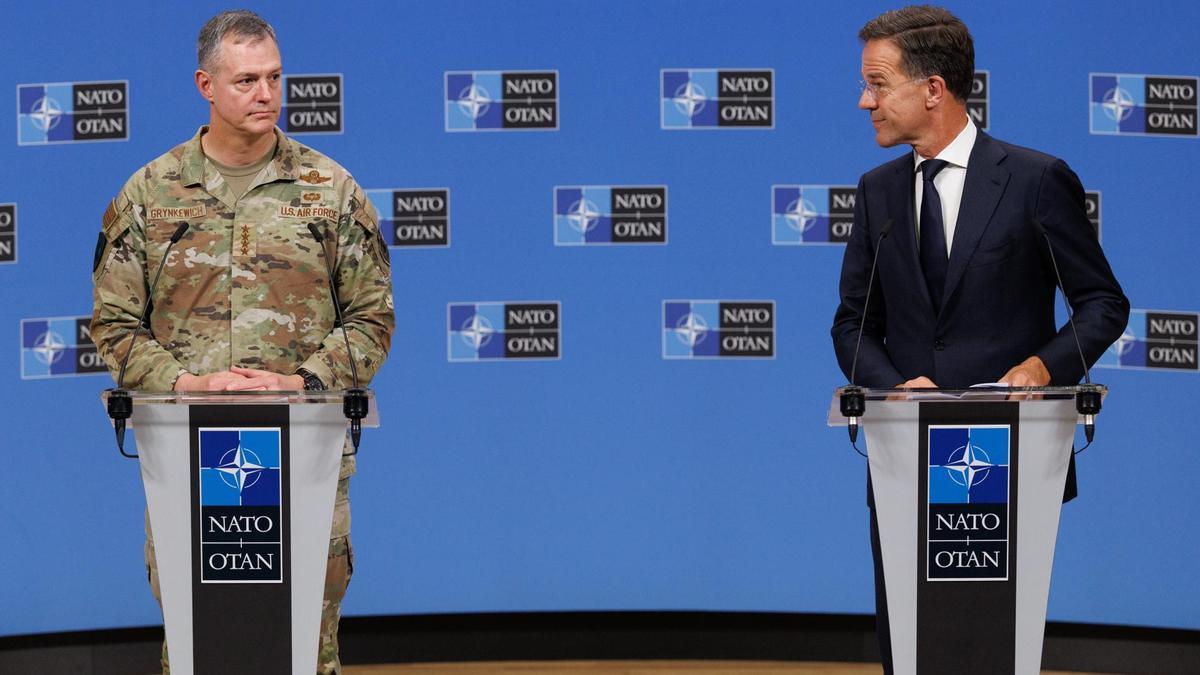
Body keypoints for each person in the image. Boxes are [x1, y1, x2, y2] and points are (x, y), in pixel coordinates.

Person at [90, 10, 394, 674]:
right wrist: (185, 384)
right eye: (247, 79)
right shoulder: (150, 193)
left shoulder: (331, 191)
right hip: (191, 452)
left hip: (304, 451)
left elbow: (372, 320)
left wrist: (302, 381)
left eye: (276, 78)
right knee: (201, 636)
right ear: (206, 84)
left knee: (306, 638)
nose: (266, 94)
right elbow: (113, 325)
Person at [830, 6, 1128, 672]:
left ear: (934, 88)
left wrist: (1040, 368)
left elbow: (1103, 302)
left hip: (1009, 460)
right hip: (905, 458)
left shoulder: (1033, 180)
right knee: (908, 650)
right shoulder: (877, 193)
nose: (864, 100)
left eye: (878, 83)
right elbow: (852, 322)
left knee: (987, 649)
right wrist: (891, 385)